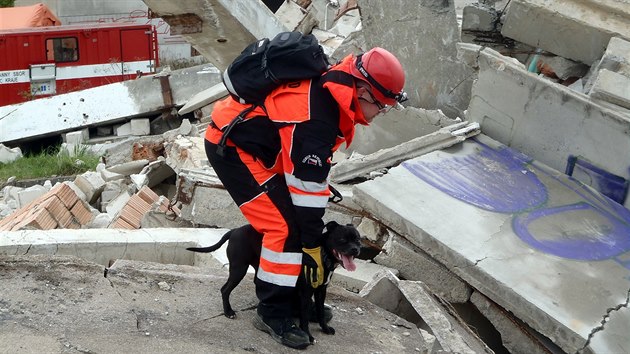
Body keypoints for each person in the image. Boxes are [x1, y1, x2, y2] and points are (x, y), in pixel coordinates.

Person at [204, 47, 406, 349]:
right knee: (283, 227)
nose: (380, 113)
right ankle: (272, 312)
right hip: (232, 149)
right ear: (363, 91)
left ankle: (295, 301)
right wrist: (312, 244)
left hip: (261, 148)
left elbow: (305, 167)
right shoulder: (318, 117)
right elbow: (306, 188)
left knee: (298, 223)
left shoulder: (332, 94)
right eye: (382, 106)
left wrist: (313, 214)